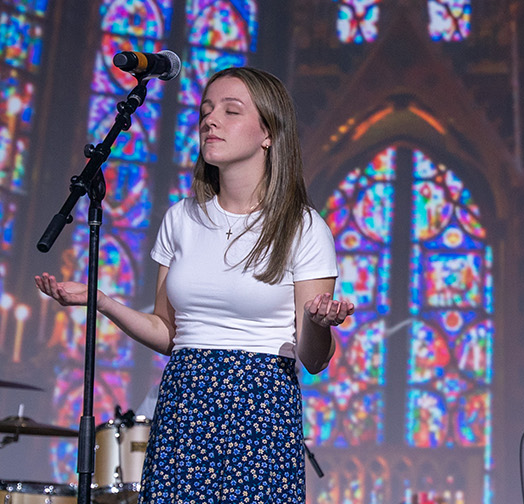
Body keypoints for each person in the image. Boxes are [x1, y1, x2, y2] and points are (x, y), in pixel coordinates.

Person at [35, 67, 354, 503]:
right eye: (205, 110)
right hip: (184, 401)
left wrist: (320, 324)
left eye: (230, 110)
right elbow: (169, 333)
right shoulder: (181, 219)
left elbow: (313, 359)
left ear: (269, 134)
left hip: (260, 410)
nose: (210, 120)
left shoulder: (303, 227)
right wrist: (101, 302)